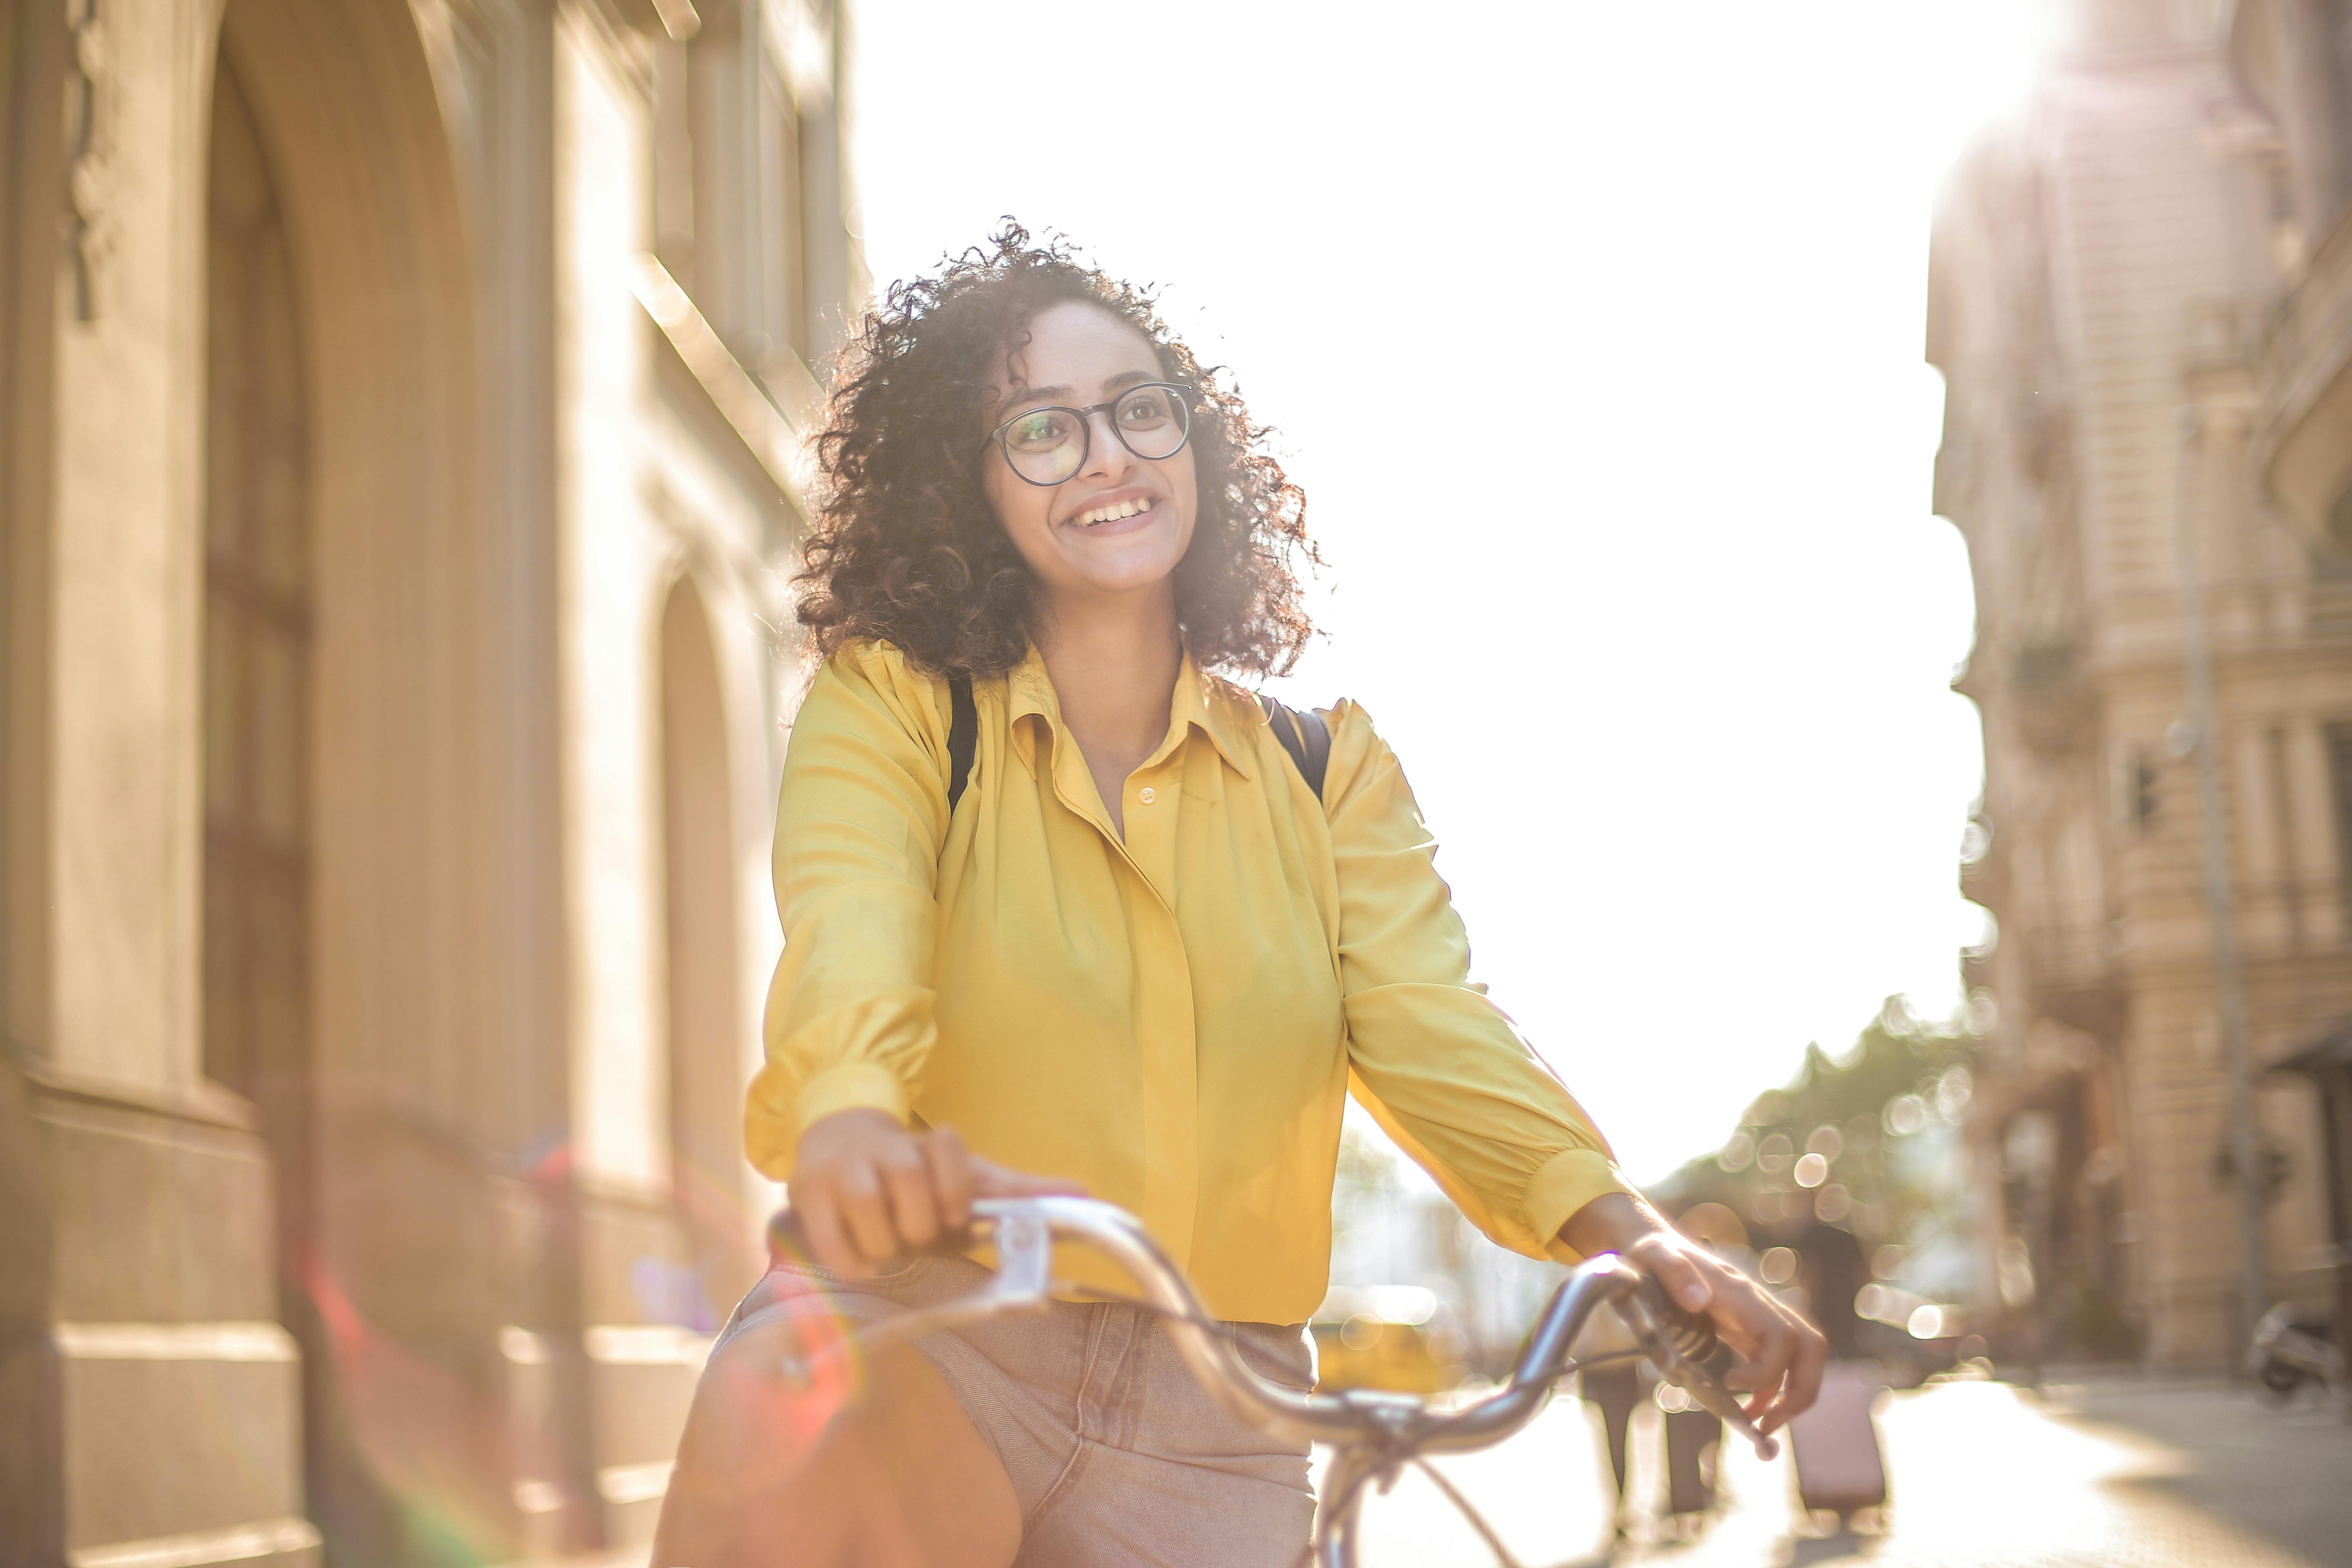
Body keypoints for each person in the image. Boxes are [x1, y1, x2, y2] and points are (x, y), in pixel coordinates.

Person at [651, 225, 1825, 1568]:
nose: (1107, 455)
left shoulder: (1329, 773)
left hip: (1219, 1409)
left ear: (1196, 440)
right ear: (964, 488)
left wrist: (1638, 1238)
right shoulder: (896, 709)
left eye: (1140, 409)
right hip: (924, 1337)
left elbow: (1436, 1024)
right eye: (1040, 428)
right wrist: (852, 1123)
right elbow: (854, 925)